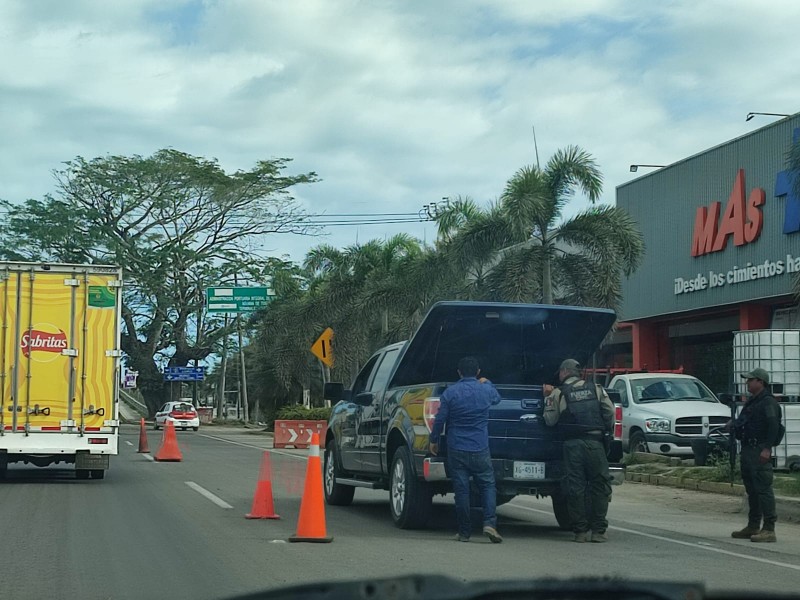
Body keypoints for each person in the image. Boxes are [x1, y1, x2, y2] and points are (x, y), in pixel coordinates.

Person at [429, 356, 503, 543]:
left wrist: (434, 440)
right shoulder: (485, 390)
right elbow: (497, 398)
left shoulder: (450, 393)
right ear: (478, 372)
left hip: (457, 447)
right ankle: (489, 524)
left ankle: (464, 532)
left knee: (461, 490)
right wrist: (488, 382)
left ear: (459, 372)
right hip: (480, 447)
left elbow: (440, 420)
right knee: (487, 485)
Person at [543, 358, 615, 543]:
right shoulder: (596, 389)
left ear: (564, 372)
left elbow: (550, 420)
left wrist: (547, 397)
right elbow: (610, 413)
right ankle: (599, 531)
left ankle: (580, 532)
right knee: (600, 486)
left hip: (572, 445)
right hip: (595, 443)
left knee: (576, 487)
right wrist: (605, 432)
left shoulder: (558, 393)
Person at [731, 368, 781, 543]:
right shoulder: (753, 402)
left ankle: (769, 528)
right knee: (752, 489)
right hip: (747, 449)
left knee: (763, 488)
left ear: (760, 381)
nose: (747, 383)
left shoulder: (768, 402)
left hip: (759, 449)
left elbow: (774, 426)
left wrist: (767, 448)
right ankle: (753, 525)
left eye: (750, 380)